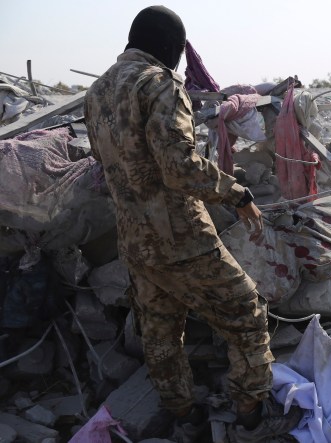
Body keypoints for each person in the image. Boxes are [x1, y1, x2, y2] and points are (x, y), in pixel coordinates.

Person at [83, 6, 300, 442]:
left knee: (162, 332)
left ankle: (186, 420)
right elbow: (179, 166)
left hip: (136, 243)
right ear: (171, 47)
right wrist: (238, 194)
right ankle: (251, 418)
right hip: (182, 238)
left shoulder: (97, 92)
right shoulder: (158, 84)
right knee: (247, 315)